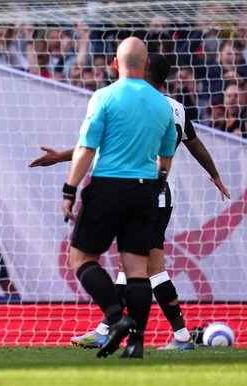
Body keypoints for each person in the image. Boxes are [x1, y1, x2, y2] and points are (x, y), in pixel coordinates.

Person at [30, 53, 231, 351]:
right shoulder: (176, 108)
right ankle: (106, 328)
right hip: (159, 195)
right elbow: (195, 144)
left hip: (145, 194)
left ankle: (180, 335)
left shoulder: (137, 103)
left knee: (151, 266)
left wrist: (60, 157)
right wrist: (214, 173)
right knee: (130, 264)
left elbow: (100, 143)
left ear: (145, 70)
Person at [61, 38, 177, 359]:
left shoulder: (104, 96)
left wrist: (70, 189)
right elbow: (166, 156)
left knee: (81, 259)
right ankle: (136, 344)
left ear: (115, 64)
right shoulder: (163, 105)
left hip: (109, 185)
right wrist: (157, 184)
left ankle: (116, 317)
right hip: (146, 190)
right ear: (147, 64)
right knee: (137, 269)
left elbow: (86, 148)